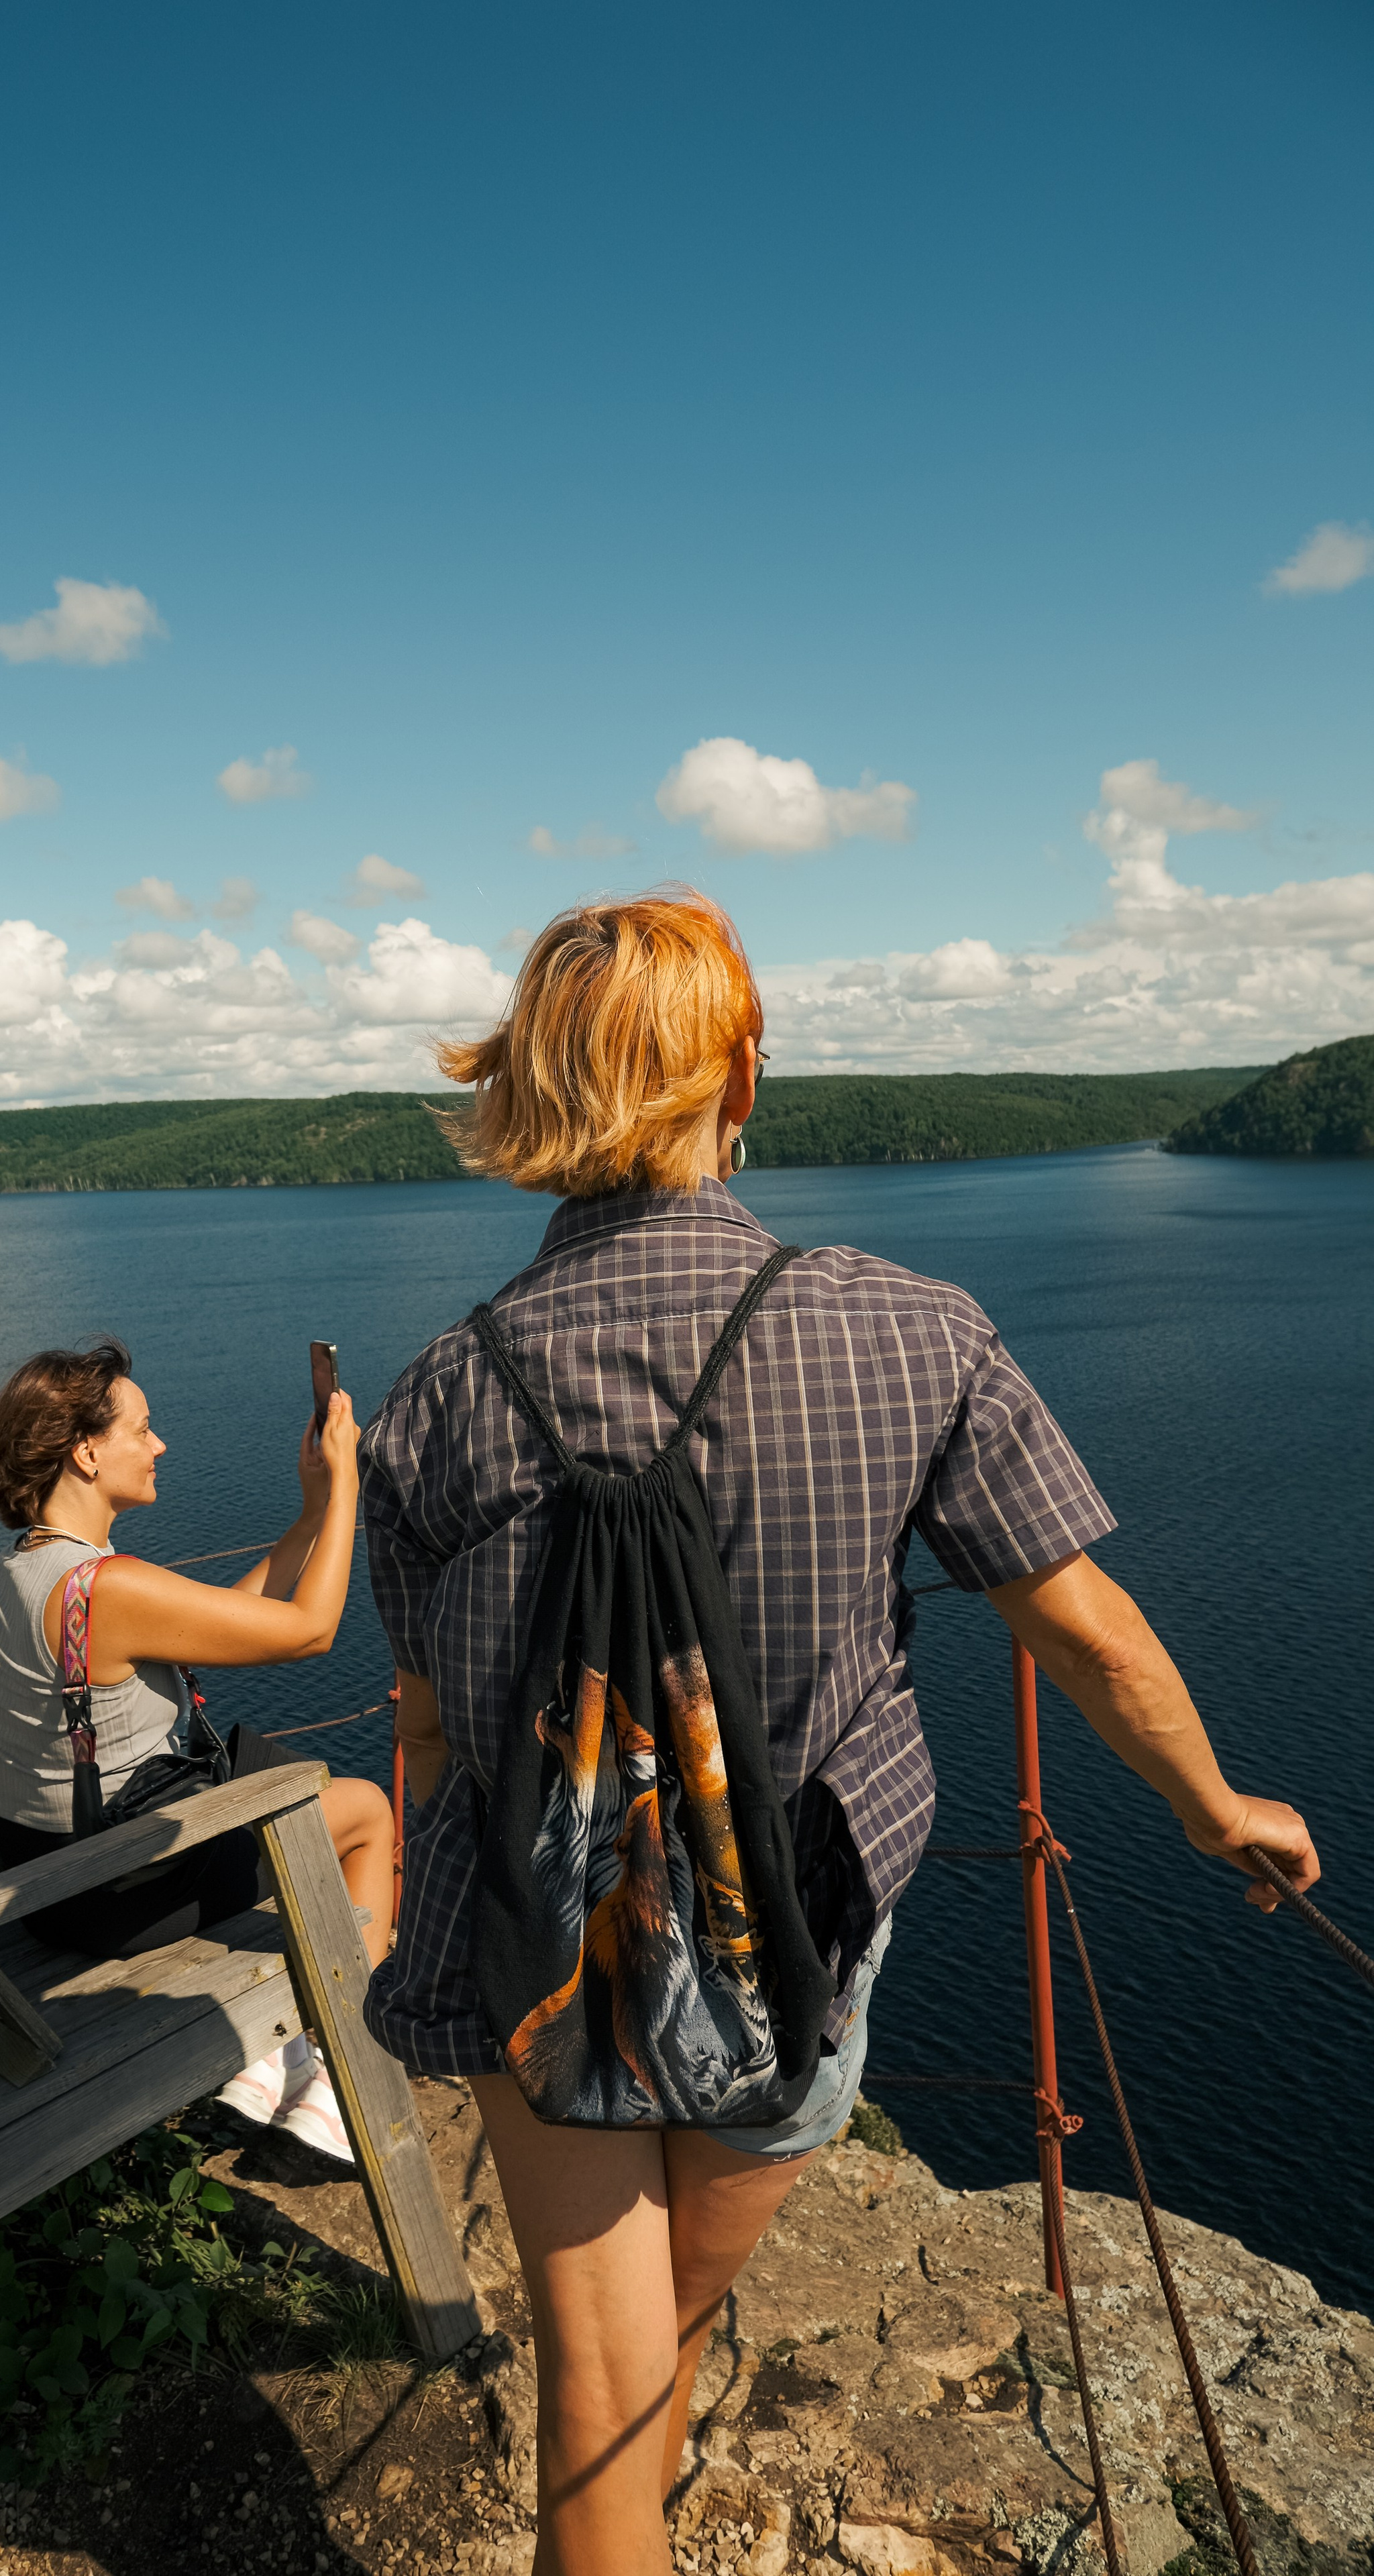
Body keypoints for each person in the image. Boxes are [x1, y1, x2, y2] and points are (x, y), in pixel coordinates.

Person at [356, 890, 1322, 2576]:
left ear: (530, 1090)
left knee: (597, 2361)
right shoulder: (907, 1328)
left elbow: (429, 1722)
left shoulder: (438, 1391)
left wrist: (433, 1899)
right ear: (742, 1075)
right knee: (669, 2316)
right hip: (792, 1919)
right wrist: (1207, 1800)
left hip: (536, 1939)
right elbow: (1078, 1630)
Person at [0, 1338, 393, 2163]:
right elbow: (310, 1630)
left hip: (52, 1879)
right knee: (369, 1813)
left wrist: (305, 1518)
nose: (159, 1445)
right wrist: (345, 1487)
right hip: (123, 1892)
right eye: (143, 1429)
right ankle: (338, 2070)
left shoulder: (25, 1570)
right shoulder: (111, 1585)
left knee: (298, 1791)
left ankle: (285, 2057)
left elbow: (205, 1629)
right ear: (87, 1452)